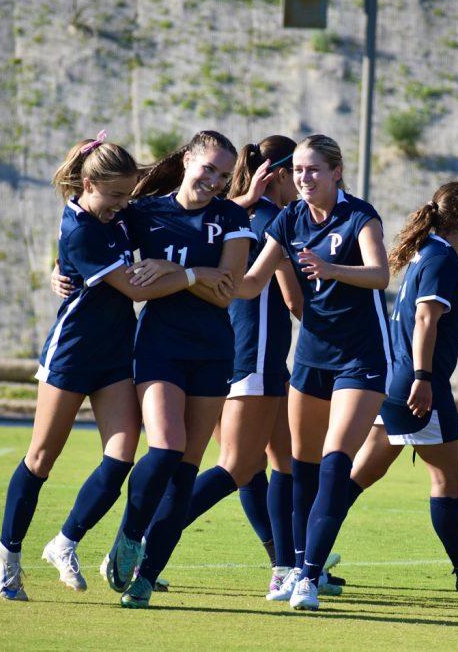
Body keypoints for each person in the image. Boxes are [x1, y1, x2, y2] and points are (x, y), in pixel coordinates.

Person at [0, 133, 210, 601]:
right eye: (113, 196)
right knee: (42, 458)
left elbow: (165, 199)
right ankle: (7, 553)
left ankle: (65, 542)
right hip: (72, 354)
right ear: (88, 185)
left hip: (114, 355)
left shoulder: (116, 212)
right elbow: (135, 289)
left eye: (126, 195)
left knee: (121, 457)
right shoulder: (82, 229)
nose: (121, 205)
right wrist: (192, 276)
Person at [345, 182, 458, 593]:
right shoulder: (442, 261)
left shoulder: (428, 256)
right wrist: (425, 379)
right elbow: (427, 320)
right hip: (418, 387)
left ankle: (307, 554)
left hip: (396, 383)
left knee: (360, 474)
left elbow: (444, 320)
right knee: (448, 480)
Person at [235, 134, 390, 611]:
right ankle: (298, 564)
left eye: (314, 170)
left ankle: (308, 575)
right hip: (312, 357)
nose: (303, 178)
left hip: (361, 358)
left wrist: (330, 268)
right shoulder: (287, 219)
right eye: (298, 170)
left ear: (336, 172)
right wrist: (202, 280)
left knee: (335, 461)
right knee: (300, 470)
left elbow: (380, 274)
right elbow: (255, 280)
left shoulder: (360, 215)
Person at [105, 130, 255, 609]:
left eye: (224, 175)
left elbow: (225, 291)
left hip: (213, 351)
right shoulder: (144, 211)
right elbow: (127, 276)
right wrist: (59, 270)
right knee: (165, 449)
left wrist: (179, 274)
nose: (214, 180)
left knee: (187, 471)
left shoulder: (231, 216)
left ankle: (147, 576)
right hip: (159, 347)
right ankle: (130, 534)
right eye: (208, 168)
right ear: (188, 159)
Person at [174, 136, 307, 595]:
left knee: (280, 463)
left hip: (229, 352)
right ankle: (145, 538)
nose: (304, 184)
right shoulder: (275, 221)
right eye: (300, 173)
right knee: (237, 466)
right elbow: (294, 300)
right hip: (256, 357)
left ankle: (291, 564)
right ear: (280, 175)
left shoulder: (229, 214)